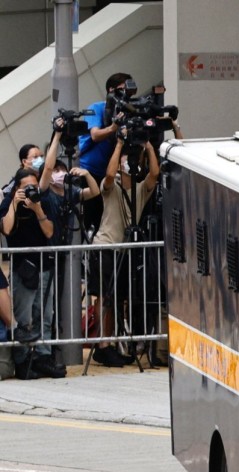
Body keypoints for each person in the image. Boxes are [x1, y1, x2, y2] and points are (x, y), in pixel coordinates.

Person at [87, 131, 160, 367]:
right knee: (104, 298)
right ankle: (102, 344)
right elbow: (108, 175)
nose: (127, 165)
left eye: (131, 161)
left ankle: (111, 343)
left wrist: (147, 145)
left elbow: (155, 174)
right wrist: (118, 144)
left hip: (123, 251)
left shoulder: (139, 190)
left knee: (118, 299)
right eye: (124, 163)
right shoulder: (112, 187)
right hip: (106, 247)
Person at [0, 168, 59, 379]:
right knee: (23, 320)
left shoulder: (42, 201)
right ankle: (23, 362)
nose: (32, 190)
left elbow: (50, 232)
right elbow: (6, 229)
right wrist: (15, 204)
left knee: (44, 316)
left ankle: (43, 359)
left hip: (44, 267)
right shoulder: (9, 202)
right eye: (27, 188)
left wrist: (37, 209)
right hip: (22, 270)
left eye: (34, 186)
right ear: (17, 188)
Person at [78, 72, 132, 234]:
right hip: (91, 173)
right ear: (111, 90)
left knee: (110, 218)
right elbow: (95, 135)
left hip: (114, 173)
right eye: (122, 89)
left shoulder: (129, 110)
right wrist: (113, 128)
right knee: (92, 218)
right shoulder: (97, 108)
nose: (126, 94)